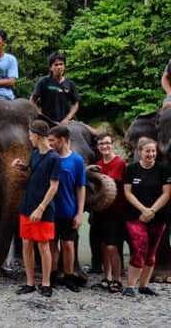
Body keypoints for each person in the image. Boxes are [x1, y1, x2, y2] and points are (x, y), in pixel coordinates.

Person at [12, 120, 60, 297]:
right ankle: (30, 282)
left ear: (38, 136)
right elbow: (32, 170)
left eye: (30, 134)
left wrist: (40, 208)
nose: (29, 137)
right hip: (27, 205)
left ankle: (46, 283)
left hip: (44, 209)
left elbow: (54, 186)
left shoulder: (54, 158)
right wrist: (21, 165)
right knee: (26, 243)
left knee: (43, 245)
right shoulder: (33, 154)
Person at [122, 137, 171, 297]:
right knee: (140, 248)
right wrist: (143, 210)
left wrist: (152, 211)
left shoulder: (163, 169)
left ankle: (143, 285)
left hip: (158, 216)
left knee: (151, 252)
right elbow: (127, 192)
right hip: (135, 216)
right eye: (147, 151)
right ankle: (130, 286)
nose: (151, 154)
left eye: (153, 151)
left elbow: (167, 193)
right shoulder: (131, 169)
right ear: (139, 152)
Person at [48, 125, 86, 292]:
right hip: (50, 210)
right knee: (51, 244)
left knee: (68, 245)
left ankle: (69, 277)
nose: (49, 144)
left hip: (68, 210)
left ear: (62, 140)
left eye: (52, 140)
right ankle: (52, 276)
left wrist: (79, 213)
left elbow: (80, 187)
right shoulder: (49, 158)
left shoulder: (76, 160)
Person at [94, 133, 127, 293]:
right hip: (101, 211)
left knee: (112, 247)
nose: (104, 146)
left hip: (116, 212)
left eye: (107, 143)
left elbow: (110, 181)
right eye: (101, 144)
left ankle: (117, 279)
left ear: (113, 144)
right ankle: (106, 277)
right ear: (98, 147)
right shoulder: (98, 163)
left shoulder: (119, 163)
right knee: (103, 245)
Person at [30, 52, 80, 124]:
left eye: (61, 64)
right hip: (47, 123)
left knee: (85, 129)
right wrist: (40, 115)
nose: (59, 67)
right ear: (51, 67)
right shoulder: (43, 82)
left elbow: (76, 103)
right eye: (56, 65)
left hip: (65, 122)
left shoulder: (70, 83)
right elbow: (32, 100)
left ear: (64, 66)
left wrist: (68, 118)